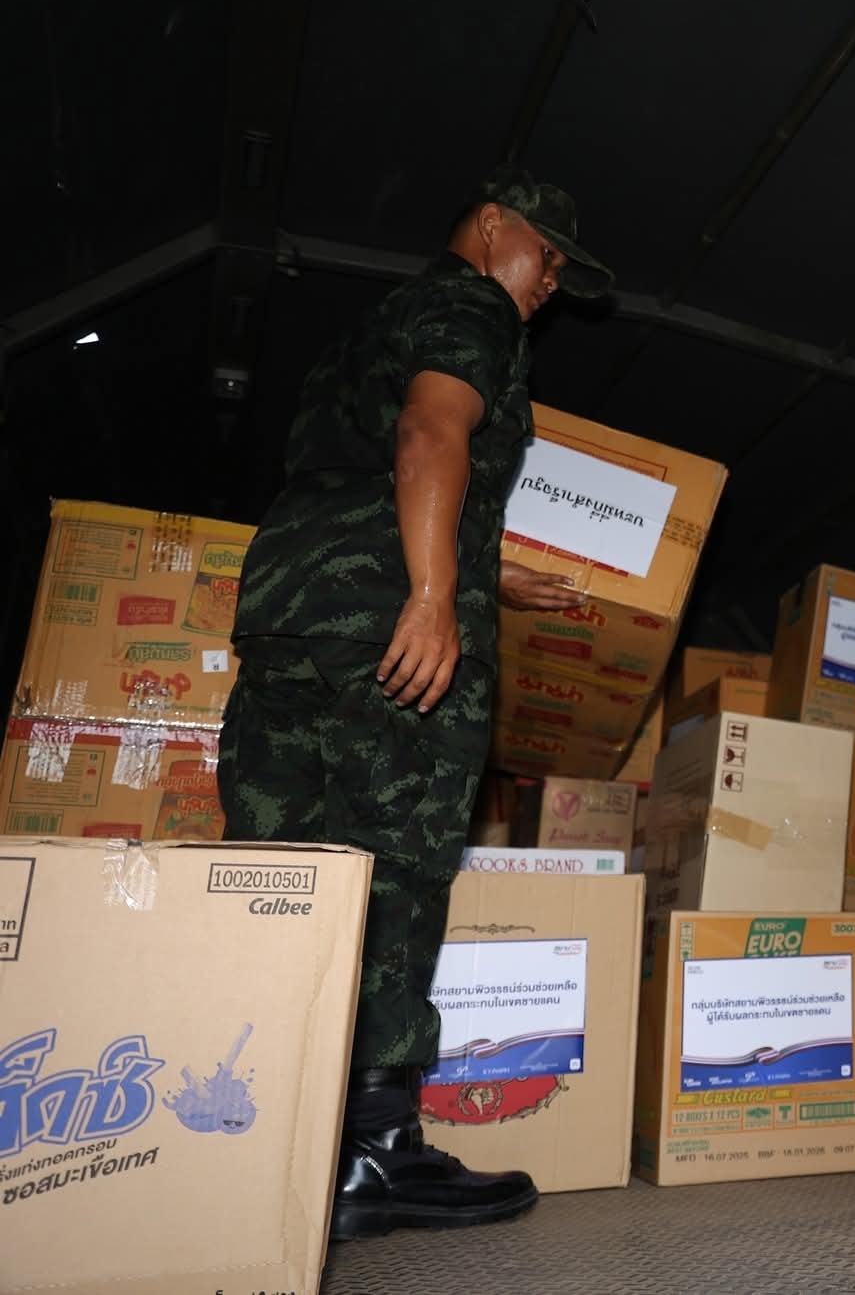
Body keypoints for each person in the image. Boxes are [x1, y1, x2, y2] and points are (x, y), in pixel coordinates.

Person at [219, 167, 610, 1240]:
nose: (553, 279)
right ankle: (373, 1150)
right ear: (490, 226)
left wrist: (488, 570)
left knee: (280, 872)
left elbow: (361, 470)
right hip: (383, 631)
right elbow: (432, 435)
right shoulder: (471, 306)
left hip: (293, 619)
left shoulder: (373, 325)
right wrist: (437, 597)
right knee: (393, 869)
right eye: (547, 252)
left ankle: (264, 1131)